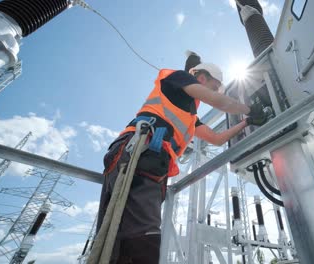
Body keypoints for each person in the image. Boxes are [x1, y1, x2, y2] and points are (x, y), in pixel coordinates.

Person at [96, 52, 267, 264]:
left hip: (146, 162)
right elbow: (219, 102)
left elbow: (216, 139)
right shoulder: (178, 78)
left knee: (120, 243)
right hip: (139, 154)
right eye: (213, 86)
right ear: (201, 77)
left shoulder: (189, 116)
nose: (212, 93)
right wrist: (248, 107)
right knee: (143, 240)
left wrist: (247, 120)